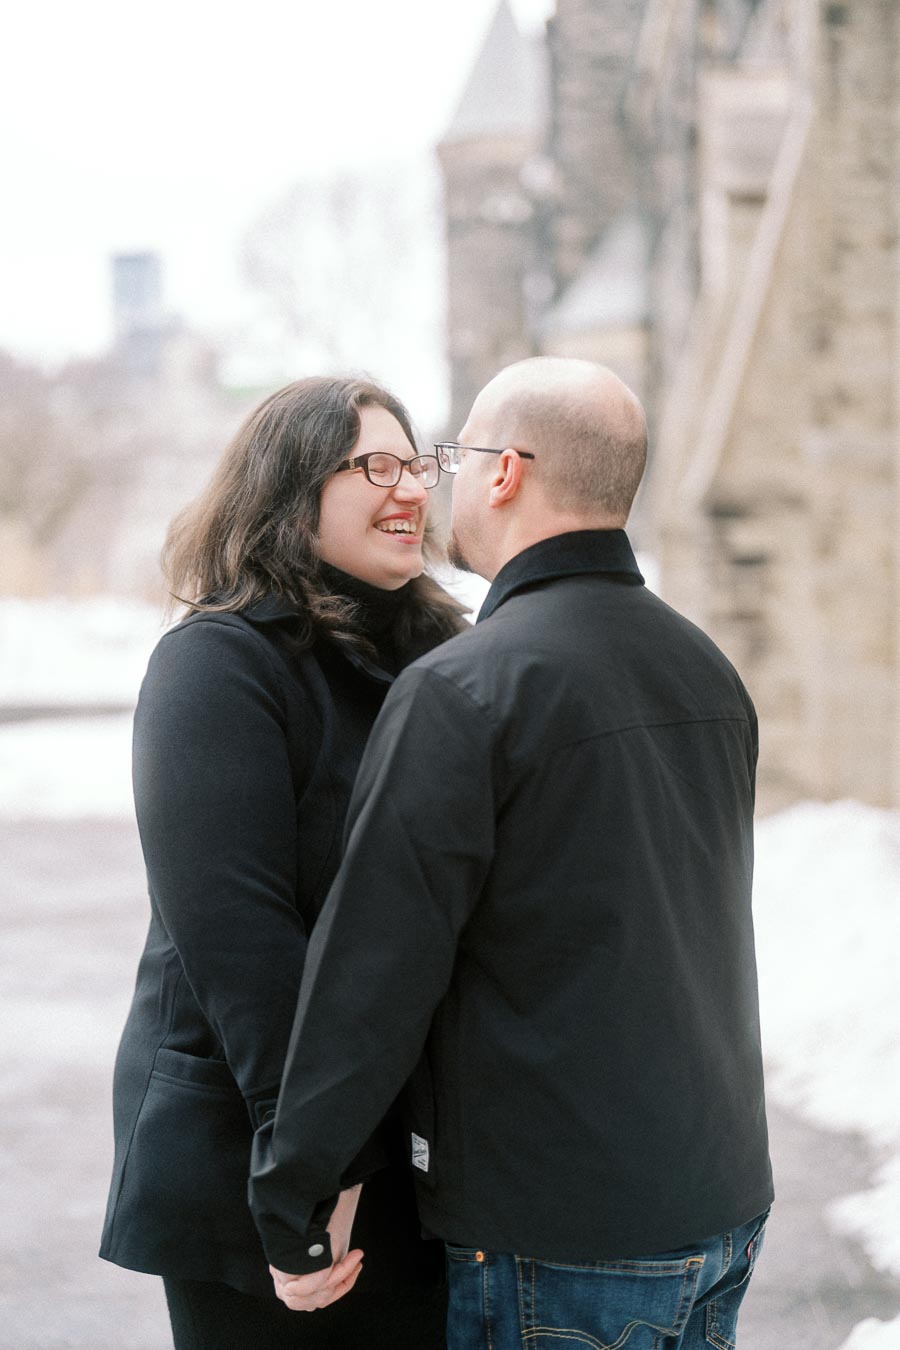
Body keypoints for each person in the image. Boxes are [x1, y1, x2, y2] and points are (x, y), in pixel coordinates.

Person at [248, 357, 774, 1349]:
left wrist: (295, 1190)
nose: (433, 485)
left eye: (447, 459)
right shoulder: (705, 668)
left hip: (561, 1232)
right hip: (720, 1202)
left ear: (503, 472)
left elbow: (374, 973)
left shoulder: (469, 689)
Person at [99, 375, 468, 1349]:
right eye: (373, 466)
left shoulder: (432, 653)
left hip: (397, 1146)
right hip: (261, 1149)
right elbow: (239, 939)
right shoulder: (219, 665)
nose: (412, 491)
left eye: (417, 463)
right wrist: (308, 1173)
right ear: (289, 489)